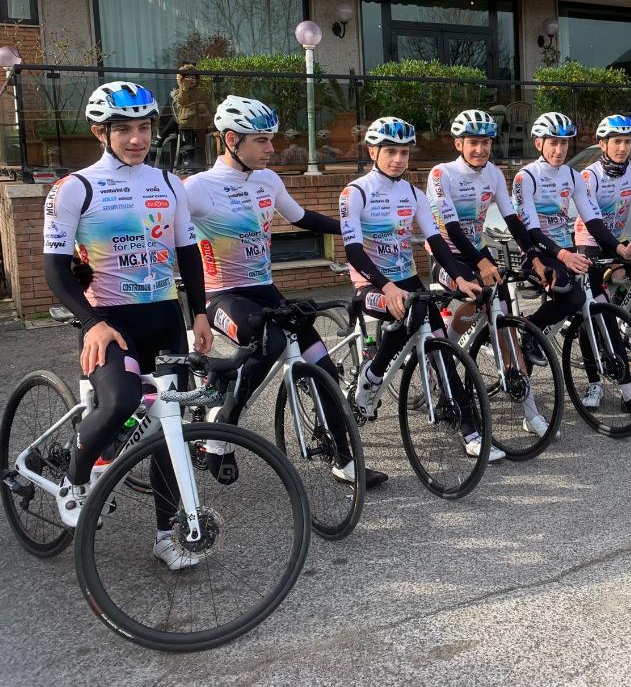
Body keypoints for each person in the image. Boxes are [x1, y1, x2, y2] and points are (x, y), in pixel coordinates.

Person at [42, 81, 213, 570]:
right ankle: (75, 477)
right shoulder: (75, 188)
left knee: (169, 428)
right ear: (101, 132)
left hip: (164, 318)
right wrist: (91, 322)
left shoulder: (169, 183)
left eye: (144, 128)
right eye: (123, 129)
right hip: (110, 323)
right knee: (120, 400)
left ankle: (166, 535)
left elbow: (187, 253)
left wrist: (200, 313)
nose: (137, 138)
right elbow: (55, 270)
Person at [185, 96, 385, 487]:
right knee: (270, 341)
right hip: (221, 295)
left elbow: (301, 217)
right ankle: (220, 432)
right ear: (231, 139)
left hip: (264, 290)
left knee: (323, 369)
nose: (271, 148)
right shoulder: (198, 188)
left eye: (271, 139)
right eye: (261, 140)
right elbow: (169, 238)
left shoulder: (268, 180)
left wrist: (352, 230)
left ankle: (345, 460)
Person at [343, 117, 496, 459]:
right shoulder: (355, 193)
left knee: (441, 347)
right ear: (373, 152)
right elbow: (353, 251)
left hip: (408, 279)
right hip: (371, 283)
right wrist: (386, 287)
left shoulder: (413, 194)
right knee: (408, 313)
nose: (398, 159)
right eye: (390, 152)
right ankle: (372, 376)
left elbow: (436, 240)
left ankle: (469, 428)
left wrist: (459, 277)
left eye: (404, 152)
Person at [513, 112, 631, 416]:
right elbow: (531, 230)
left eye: (564, 143)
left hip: (565, 250)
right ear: (538, 143)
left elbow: (593, 219)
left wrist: (619, 248)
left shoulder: (573, 176)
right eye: (553, 143)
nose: (559, 149)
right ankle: (530, 329)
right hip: (537, 252)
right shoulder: (527, 177)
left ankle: (628, 391)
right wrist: (563, 255)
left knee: (601, 310)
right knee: (573, 295)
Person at [426, 109, 549, 437]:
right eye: (473, 143)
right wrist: (481, 262)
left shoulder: (493, 173)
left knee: (504, 318)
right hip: (446, 257)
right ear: (459, 144)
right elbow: (451, 229)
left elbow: (512, 220)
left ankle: (530, 411)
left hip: (477, 253)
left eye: (486, 142)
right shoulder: (441, 174)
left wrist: (534, 256)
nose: (480, 149)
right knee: (476, 294)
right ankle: (444, 352)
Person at [170, 63, 212, 171]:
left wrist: (207, 113)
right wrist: (184, 88)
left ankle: (201, 167)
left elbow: (210, 106)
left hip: (201, 123)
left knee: (201, 146)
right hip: (186, 124)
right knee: (187, 146)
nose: (191, 80)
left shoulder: (202, 92)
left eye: (193, 77)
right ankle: (188, 166)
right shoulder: (178, 92)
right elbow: (181, 101)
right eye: (188, 77)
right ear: (182, 79)